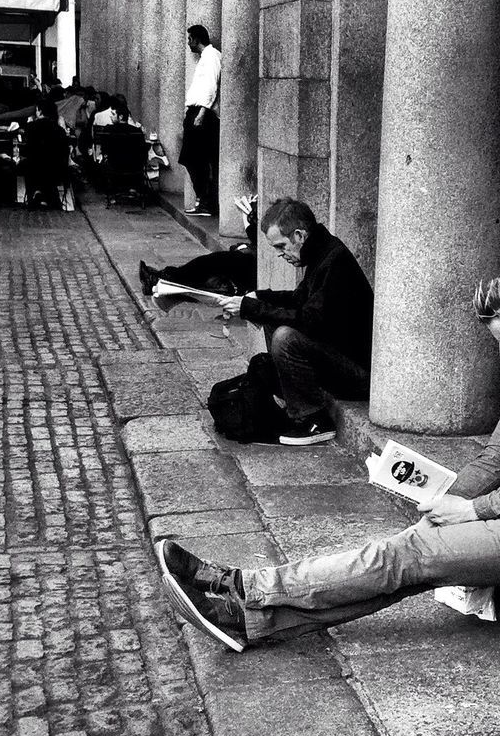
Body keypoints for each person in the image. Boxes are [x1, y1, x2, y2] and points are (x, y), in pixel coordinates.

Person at [156, 268, 500, 652]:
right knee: (409, 555)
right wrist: (448, 500)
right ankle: (250, 624)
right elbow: (496, 454)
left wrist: (473, 510)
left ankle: (246, 587)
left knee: (404, 556)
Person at [215, 197, 373, 445]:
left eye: (281, 246)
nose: (279, 254)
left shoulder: (334, 260)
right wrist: (258, 298)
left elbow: (309, 321)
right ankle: (294, 400)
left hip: (359, 375)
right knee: (271, 316)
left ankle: (314, 420)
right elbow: (299, 300)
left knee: (285, 337)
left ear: (299, 235)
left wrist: (254, 307)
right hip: (338, 357)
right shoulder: (321, 253)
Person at [139, 193, 258, 296]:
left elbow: (258, 239)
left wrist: (251, 222)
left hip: (253, 263)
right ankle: (164, 278)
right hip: (252, 257)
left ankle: (162, 278)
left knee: (216, 262)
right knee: (211, 264)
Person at [180, 23, 221, 217]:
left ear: (196, 39)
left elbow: (211, 86)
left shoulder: (211, 56)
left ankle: (206, 202)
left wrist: (201, 114)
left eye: (189, 39)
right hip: (196, 111)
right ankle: (203, 200)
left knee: (197, 159)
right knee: (192, 159)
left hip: (201, 113)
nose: (188, 43)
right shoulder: (205, 58)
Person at [20, 97, 70, 210]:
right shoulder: (60, 130)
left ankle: (37, 194)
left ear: (40, 111)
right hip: (57, 169)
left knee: (30, 164)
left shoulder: (31, 127)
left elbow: (26, 150)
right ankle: (47, 195)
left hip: (34, 168)